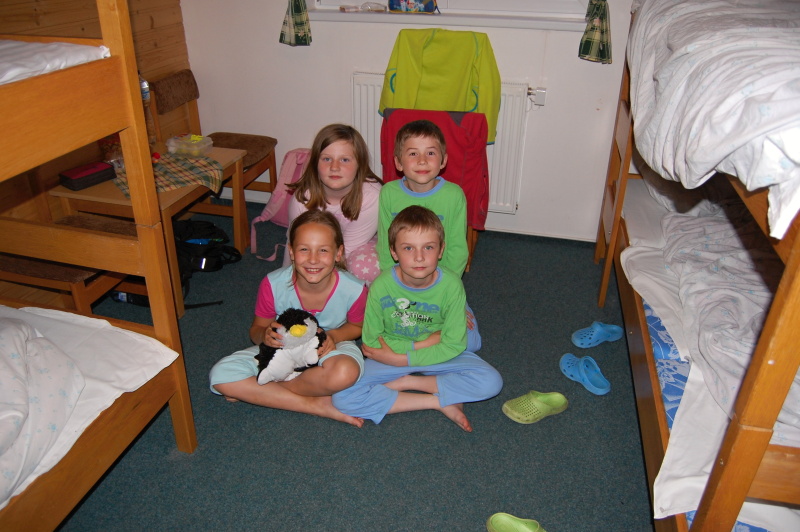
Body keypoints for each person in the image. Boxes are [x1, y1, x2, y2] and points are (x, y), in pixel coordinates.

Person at [333, 206, 503, 431]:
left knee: (491, 382)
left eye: (428, 247)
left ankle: (411, 381)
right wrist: (422, 345)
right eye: (408, 248)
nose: (419, 257)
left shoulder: (452, 285)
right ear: (394, 252)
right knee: (343, 397)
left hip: (416, 352)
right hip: (415, 350)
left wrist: (403, 360)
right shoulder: (381, 287)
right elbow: (372, 343)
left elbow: (453, 345)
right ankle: (437, 401)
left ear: (441, 250)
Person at [210, 210, 367, 427]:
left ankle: (263, 390)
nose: (313, 259)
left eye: (323, 250)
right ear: (291, 252)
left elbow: (357, 326)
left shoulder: (355, 289)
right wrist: (265, 337)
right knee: (220, 376)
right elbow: (257, 329)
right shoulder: (273, 283)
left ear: (338, 253)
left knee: (345, 372)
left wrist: (334, 336)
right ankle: (314, 403)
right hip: (283, 349)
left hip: (332, 346)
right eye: (304, 249)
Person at [377, 119, 481, 351]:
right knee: (380, 329)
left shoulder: (453, 195)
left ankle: (422, 344)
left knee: (471, 342)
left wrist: (448, 295)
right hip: (401, 282)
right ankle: (424, 346)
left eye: (430, 153)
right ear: (398, 162)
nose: (422, 160)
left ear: (443, 160)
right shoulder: (389, 193)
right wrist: (392, 288)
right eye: (413, 153)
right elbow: (385, 247)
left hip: (441, 283)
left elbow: (457, 250)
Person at [284, 123, 383, 284]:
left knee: (363, 267)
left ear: (360, 164)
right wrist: (289, 278)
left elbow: (348, 249)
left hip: (356, 246)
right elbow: (294, 243)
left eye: (344, 159)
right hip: (315, 246)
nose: (334, 167)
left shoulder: (372, 197)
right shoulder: (302, 199)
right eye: (327, 159)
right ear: (315, 163)